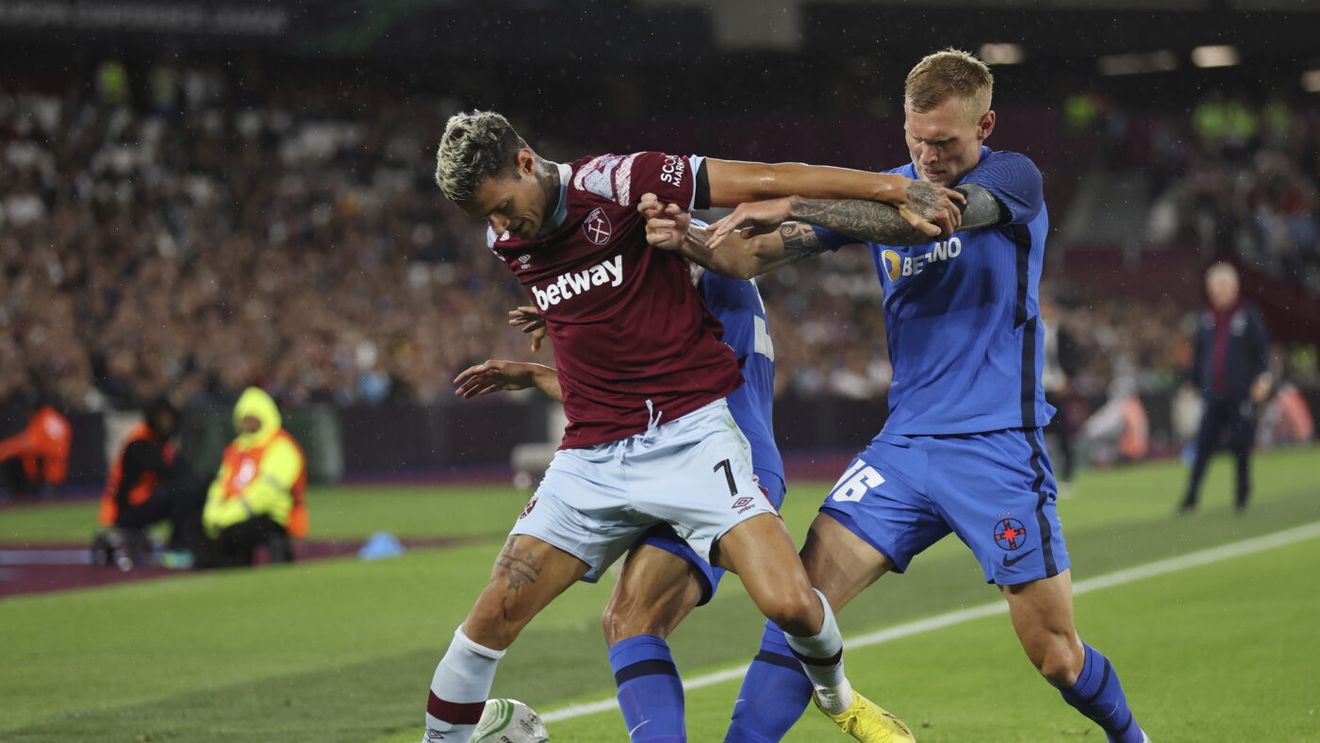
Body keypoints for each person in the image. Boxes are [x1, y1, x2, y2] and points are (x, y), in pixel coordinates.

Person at [643, 49, 1149, 743]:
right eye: (916, 139)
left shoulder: (1014, 178)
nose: (928, 155)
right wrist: (689, 239)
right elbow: (747, 256)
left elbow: (927, 217)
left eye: (944, 141)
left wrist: (793, 199)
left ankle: (1133, 737)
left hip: (996, 446)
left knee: (1057, 656)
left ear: (985, 125)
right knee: (798, 607)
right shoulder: (879, 187)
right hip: (903, 450)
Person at [423, 109, 963, 743]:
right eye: (485, 217)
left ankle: (838, 696)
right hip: (593, 457)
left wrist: (898, 187)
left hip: (695, 441)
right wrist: (557, 324)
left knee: (789, 604)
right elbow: (604, 327)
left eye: (502, 207)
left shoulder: (643, 201)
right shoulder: (514, 238)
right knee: (502, 616)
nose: (498, 227)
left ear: (524, 163)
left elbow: (761, 187)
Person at [455, 259, 788, 743]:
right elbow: (633, 400)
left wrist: (577, 310)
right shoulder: (707, 261)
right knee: (632, 621)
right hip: (707, 455)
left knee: (647, 618)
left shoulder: (680, 253)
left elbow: (646, 394)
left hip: (716, 459)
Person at [1178, 262, 1271, 514]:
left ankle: (1241, 498)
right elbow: (1199, 355)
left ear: (1234, 287)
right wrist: (1191, 381)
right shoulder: (1206, 317)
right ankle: (1191, 497)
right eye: (1214, 286)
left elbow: (1262, 351)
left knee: (1240, 445)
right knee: (1203, 446)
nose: (1218, 291)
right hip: (1212, 393)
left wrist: (1263, 378)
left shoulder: (1248, 314)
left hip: (1239, 393)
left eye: (1222, 285)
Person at [202, 387, 308, 567]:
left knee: (235, 533)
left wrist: (228, 515)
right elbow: (220, 485)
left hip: (273, 516)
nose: (247, 424)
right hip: (237, 512)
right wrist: (212, 513)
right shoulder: (237, 448)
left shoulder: (281, 447)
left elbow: (266, 493)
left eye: (252, 419)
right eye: (244, 420)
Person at [97, 397, 207, 555]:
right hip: (124, 510)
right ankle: (178, 545)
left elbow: (181, 472)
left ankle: (188, 541)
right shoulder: (140, 442)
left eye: (169, 419)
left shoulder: (160, 442)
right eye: (162, 419)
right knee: (181, 493)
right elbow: (167, 472)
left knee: (191, 490)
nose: (166, 424)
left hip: (141, 503)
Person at [0, 398, 72, 499]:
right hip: (59, 462)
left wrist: (4, 449)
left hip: (47, 463)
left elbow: (30, 443)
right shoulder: (58, 418)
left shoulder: (42, 417)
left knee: (25, 457)